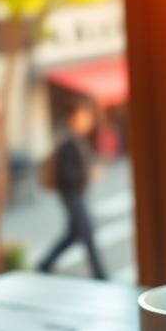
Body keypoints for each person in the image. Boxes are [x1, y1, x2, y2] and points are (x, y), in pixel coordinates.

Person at [37, 103, 106, 279]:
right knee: (87, 234)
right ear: (75, 117)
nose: (88, 120)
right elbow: (66, 175)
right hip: (72, 195)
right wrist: (87, 174)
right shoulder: (68, 143)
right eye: (85, 116)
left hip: (77, 194)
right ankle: (100, 275)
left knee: (73, 235)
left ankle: (44, 264)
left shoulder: (76, 140)